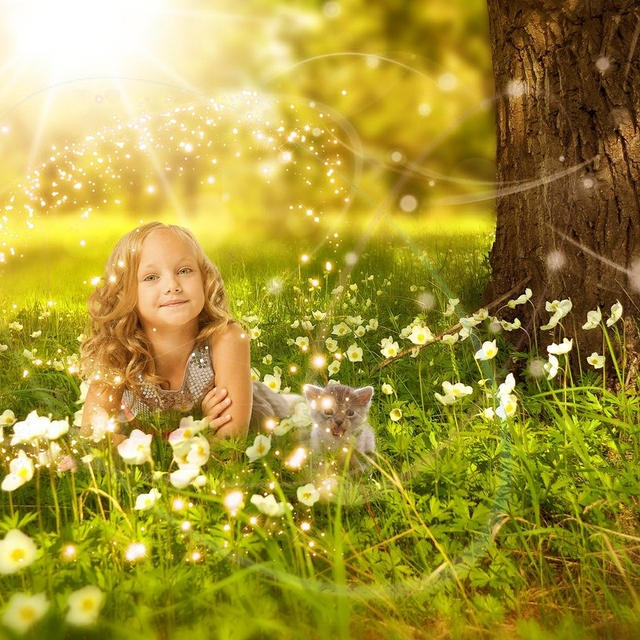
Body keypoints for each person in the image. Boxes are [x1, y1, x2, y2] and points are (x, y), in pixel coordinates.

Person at [79, 221, 293, 440]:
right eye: (151, 277)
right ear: (124, 293)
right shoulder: (117, 349)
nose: (172, 285)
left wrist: (129, 445)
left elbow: (230, 446)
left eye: (184, 270)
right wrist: (201, 427)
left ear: (204, 278)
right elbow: (92, 434)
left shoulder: (227, 339)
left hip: (256, 417)